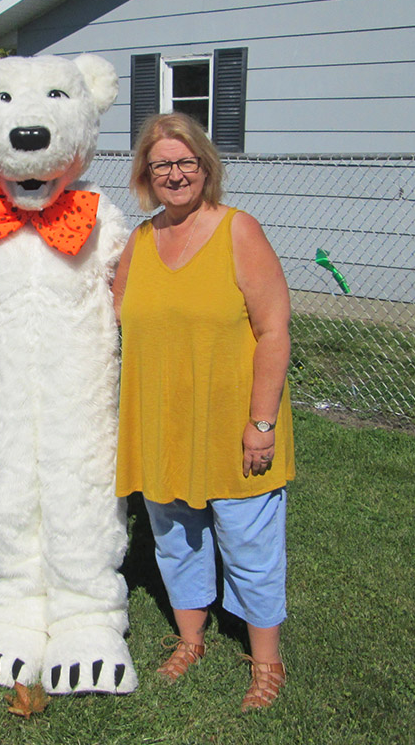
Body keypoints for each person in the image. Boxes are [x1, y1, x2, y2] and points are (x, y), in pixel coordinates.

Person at [113, 113, 296, 711]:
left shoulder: (239, 232)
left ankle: (266, 661)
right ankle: (191, 640)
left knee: (249, 543)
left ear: (205, 167)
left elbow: (274, 332)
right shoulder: (137, 244)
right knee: (174, 539)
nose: (174, 173)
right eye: (161, 164)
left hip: (235, 425)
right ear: (146, 173)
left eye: (185, 161)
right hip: (161, 423)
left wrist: (261, 424)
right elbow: (108, 322)